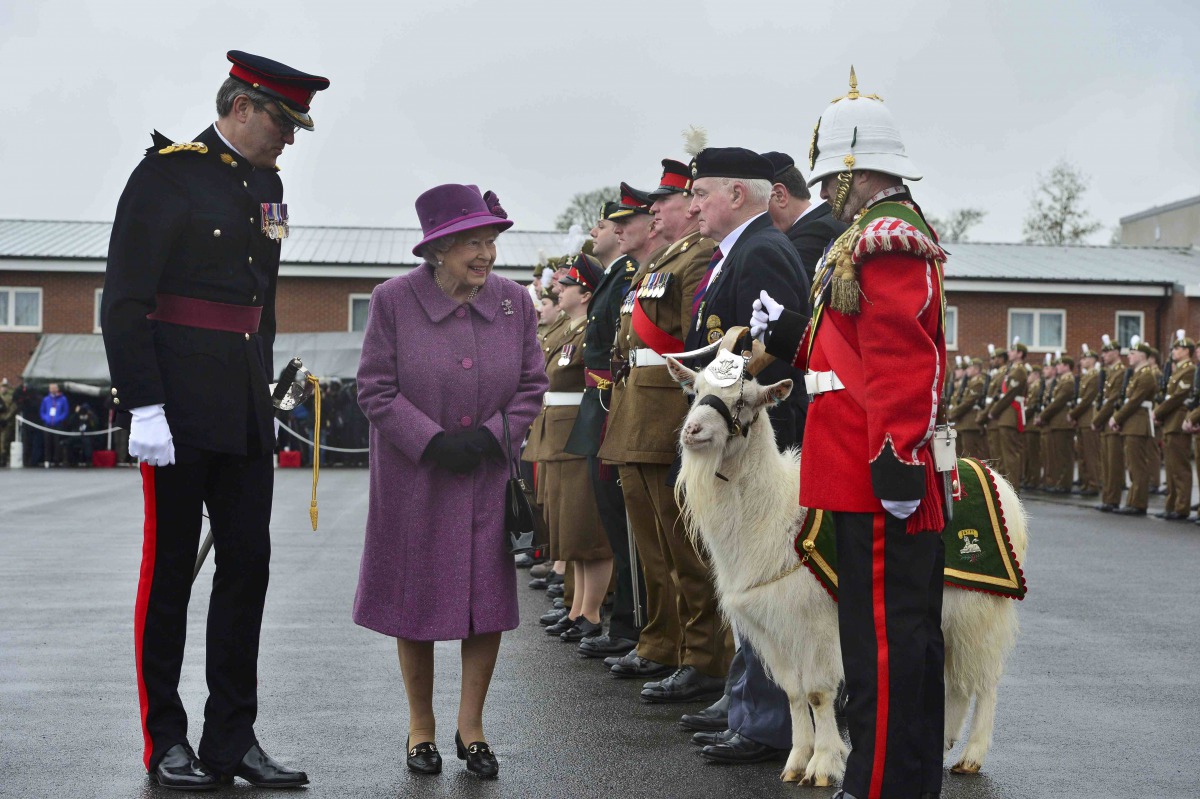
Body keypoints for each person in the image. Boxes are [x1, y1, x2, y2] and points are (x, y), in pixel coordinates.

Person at [101, 50, 328, 790]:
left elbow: (261, 300)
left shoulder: (269, 184)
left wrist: (260, 391)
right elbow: (124, 301)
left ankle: (232, 737)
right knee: (168, 575)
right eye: (282, 122)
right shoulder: (165, 174)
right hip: (175, 406)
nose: (290, 138)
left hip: (241, 407)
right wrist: (144, 404)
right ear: (240, 107)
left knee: (247, 569)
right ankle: (165, 739)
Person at [758, 68, 948, 799]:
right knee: (879, 643)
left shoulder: (887, 240)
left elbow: (903, 362)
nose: (827, 194)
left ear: (854, 173)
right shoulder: (864, 236)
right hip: (855, 467)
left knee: (885, 647)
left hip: (876, 472)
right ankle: (894, 779)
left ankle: (880, 785)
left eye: (832, 180)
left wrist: (896, 458)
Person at [353, 183, 548, 779]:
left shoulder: (515, 302)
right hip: (416, 480)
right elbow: (374, 389)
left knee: (483, 602)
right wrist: (431, 440)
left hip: (487, 476)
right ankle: (421, 729)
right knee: (416, 601)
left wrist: (493, 435)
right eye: (472, 242)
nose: (485, 253)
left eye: (490, 240)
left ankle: (473, 728)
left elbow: (532, 385)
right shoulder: (392, 301)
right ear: (438, 249)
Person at [684, 146, 809, 764]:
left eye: (701, 192)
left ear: (737, 194)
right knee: (742, 577)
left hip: (756, 443)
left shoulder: (760, 250)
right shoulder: (739, 251)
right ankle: (745, 705)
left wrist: (730, 419)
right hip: (729, 435)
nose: (692, 205)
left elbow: (774, 354)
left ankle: (763, 722)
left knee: (762, 581)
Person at [598, 174, 731, 698]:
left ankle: (702, 656)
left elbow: (694, 343)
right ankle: (664, 641)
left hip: (665, 416)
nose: (653, 212)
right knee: (653, 550)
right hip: (635, 411)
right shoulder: (660, 261)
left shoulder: (697, 257)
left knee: (684, 548)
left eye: (664, 202)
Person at [525, 254, 614, 641]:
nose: (558, 291)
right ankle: (578, 606)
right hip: (556, 432)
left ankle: (589, 611)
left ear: (586, 292)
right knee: (568, 528)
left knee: (586, 528)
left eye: (568, 286)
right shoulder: (566, 331)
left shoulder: (588, 331)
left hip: (577, 430)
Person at [564, 201, 639, 659]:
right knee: (614, 521)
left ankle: (631, 625)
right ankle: (626, 623)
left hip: (616, 400)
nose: (597, 229)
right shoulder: (618, 273)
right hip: (603, 400)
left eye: (607, 223)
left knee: (626, 526)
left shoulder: (629, 271)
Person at [1110, 337, 1157, 515]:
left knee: (1137, 466)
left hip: (1138, 424)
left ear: (1142, 355)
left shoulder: (1146, 375)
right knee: (1132, 465)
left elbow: (1134, 401)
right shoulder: (1138, 374)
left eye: (1132, 353)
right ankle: (1133, 501)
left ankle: (1138, 503)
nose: (1128, 356)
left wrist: (1117, 418)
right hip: (1132, 423)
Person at [1154, 332, 1195, 520]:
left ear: (1187, 351)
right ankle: (1171, 505)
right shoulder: (1176, 371)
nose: (1173, 351)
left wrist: (1158, 412)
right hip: (1170, 421)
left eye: (1177, 348)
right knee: (1170, 469)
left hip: (1177, 421)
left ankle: (1181, 507)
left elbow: (1178, 397)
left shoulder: (1189, 369)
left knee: (1180, 468)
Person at [1093, 335, 1127, 511]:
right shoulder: (1110, 373)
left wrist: (1097, 419)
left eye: (1106, 352)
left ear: (1115, 352)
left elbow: (1113, 399)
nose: (1103, 355)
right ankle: (1107, 498)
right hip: (1106, 422)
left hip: (1112, 421)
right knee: (1106, 463)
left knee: (1113, 464)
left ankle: (1112, 499)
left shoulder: (1121, 372)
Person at [1068, 346, 1101, 496]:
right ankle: (1085, 482)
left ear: (1093, 360)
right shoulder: (1086, 376)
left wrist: (1073, 414)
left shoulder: (1095, 376)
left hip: (1088, 418)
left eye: (1085, 359)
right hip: (1082, 419)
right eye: (1082, 359)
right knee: (1082, 454)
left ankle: (1093, 484)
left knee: (1090, 454)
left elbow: (1088, 399)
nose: (1082, 361)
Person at [39, 383, 69, 466]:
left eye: (54, 388)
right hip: (48, 424)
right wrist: (45, 418)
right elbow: (42, 411)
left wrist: (60, 419)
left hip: (58, 424)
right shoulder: (46, 399)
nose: (53, 390)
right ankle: (47, 460)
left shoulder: (63, 399)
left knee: (57, 443)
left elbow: (65, 411)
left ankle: (57, 460)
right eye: (51, 388)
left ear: (57, 389)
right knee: (47, 442)